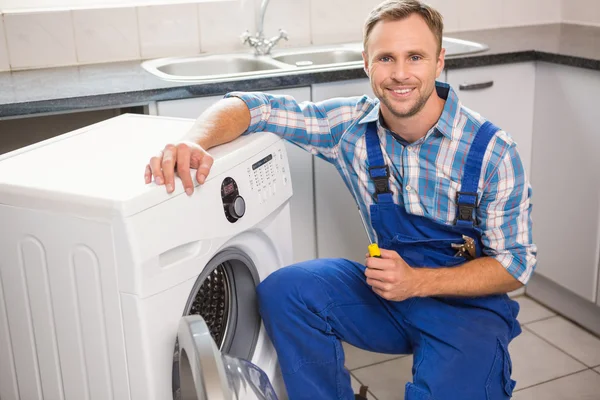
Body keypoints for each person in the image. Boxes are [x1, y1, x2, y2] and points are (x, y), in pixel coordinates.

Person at [145, 0, 536, 399]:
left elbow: (515, 265)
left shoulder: (491, 152)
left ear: (439, 62)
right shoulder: (349, 127)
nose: (400, 74)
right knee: (286, 292)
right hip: (389, 298)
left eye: (415, 57)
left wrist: (417, 281)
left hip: (467, 312)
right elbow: (253, 106)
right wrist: (191, 142)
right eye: (386, 58)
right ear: (367, 63)